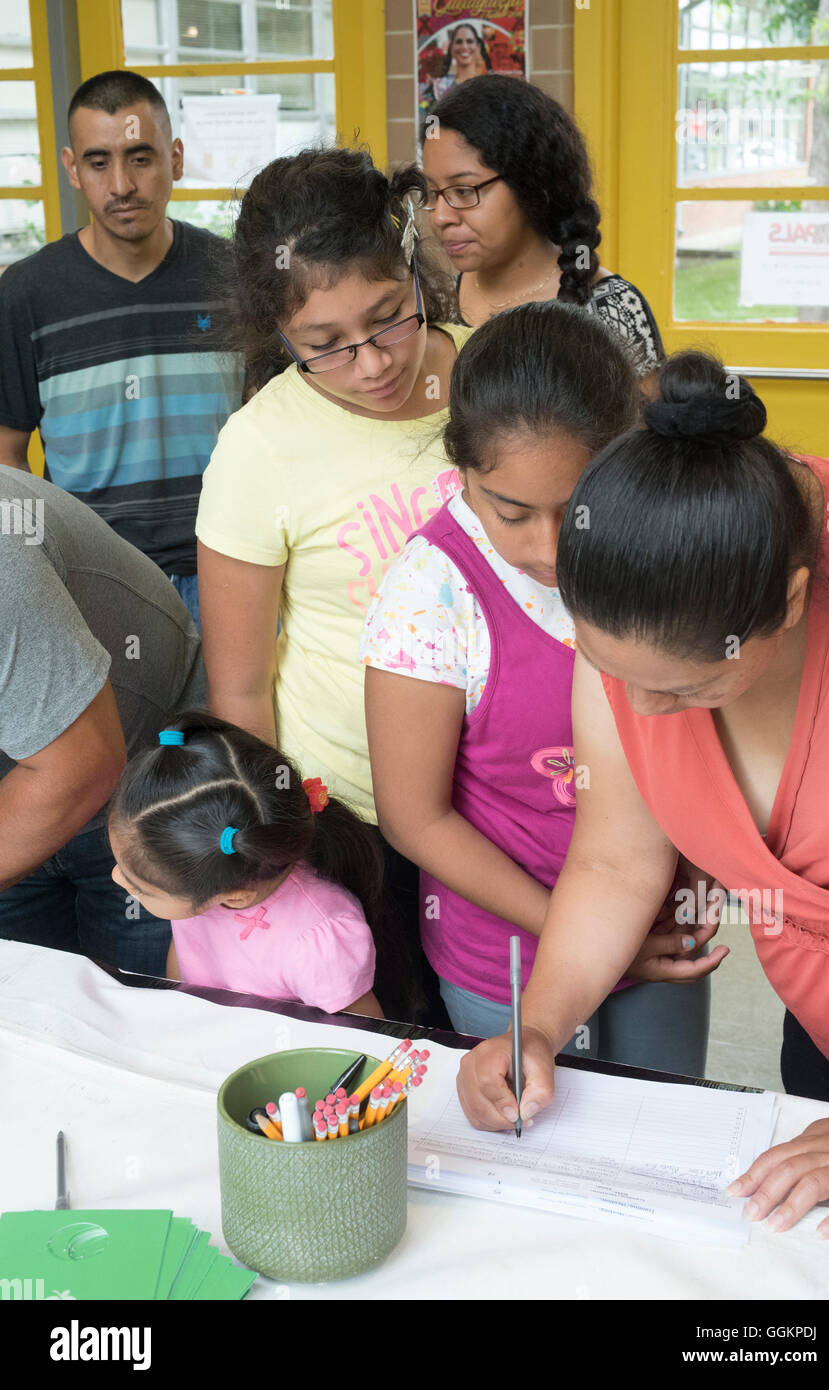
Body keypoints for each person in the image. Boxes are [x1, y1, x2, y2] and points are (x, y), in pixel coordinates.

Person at [456, 351, 829, 1240]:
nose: (644, 714)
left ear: (790, 603)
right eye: (610, 673)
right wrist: (543, 1023)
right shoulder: (630, 602)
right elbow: (613, 857)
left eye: (684, 692)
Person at [362, 302, 718, 1071]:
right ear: (462, 471)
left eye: (578, 505)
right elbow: (414, 817)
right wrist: (583, 933)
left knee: (662, 1131)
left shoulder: (660, 544)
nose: (551, 548)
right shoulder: (431, 591)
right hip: (505, 959)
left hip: (660, 932)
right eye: (512, 513)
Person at [195, 148, 470, 1022]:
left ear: (413, 268)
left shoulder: (488, 380)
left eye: (390, 318)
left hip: (505, 789)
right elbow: (240, 684)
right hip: (353, 811)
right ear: (277, 336)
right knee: (405, 1039)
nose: (373, 362)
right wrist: (272, 849)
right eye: (325, 346)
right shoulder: (259, 444)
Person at [0, 69, 245, 627]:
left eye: (140, 157)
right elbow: (7, 460)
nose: (121, 185)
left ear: (175, 159)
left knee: (238, 720)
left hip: (230, 567)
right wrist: (38, 578)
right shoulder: (25, 295)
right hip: (94, 581)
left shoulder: (234, 276)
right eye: (98, 162)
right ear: (71, 169)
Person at [0, 465, 205, 975]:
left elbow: (79, 768)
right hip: (30, 781)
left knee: (137, 1024)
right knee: (30, 1020)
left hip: (140, 786)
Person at [108, 712, 413, 1019]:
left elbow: (360, 1037)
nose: (115, 877)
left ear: (236, 896)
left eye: (139, 887)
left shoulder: (317, 942)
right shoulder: (198, 878)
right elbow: (186, 961)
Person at [421, 75, 663, 374]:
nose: (440, 216)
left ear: (529, 185)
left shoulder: (611, 311)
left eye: (464, 191)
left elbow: (645, 419)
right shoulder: (439, 304)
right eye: (433, 192)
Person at [420, 24, 493, 109]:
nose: (464, 47)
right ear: (451, 49)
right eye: (459, 42)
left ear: (478, 47)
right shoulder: (439, 88)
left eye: (469, 41)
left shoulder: (490, 89)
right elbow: (429, 117)